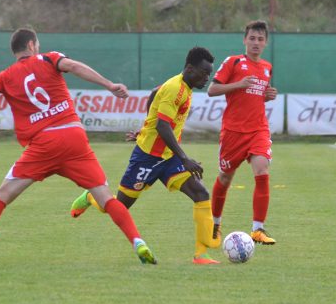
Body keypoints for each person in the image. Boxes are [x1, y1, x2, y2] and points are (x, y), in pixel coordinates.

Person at [0, 28, 157, 265]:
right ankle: (138, 242)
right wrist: (109, 85)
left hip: (43, 145)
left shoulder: (3, 77)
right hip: (74, 138)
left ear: (16, 50)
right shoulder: (49, 59)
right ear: (32, 45)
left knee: (2, 196)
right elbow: (74, 66)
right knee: (105, 197)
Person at [70, 47, 223, 264]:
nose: (207, 78)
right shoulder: (175, 88)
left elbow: (154, 93)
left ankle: (201, 255)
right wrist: (184, 158)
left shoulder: (184, 87)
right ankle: (91, 197)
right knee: (119, 207)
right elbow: (163, 125)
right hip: (147, 158)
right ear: (190, 69)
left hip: (168, 158)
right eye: (204, 73)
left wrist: (145, 128)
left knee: (200, 193)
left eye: (209, 74)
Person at [207, 20, 278, 245]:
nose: (256, 42)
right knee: (225, 177)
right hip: (233, 132)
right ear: (245, 40)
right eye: (252, 38)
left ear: (265, 43)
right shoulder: (234, 61)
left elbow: (255, 95)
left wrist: (266, 96)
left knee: (262, 170)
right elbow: (212, 89)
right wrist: (238, 84)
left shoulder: (267, 67)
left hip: (258, 129)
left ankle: (258, 229)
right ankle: (215, 224)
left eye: (260, 39)